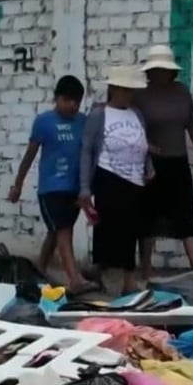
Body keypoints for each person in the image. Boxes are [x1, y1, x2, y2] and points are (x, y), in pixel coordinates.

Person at [8, 76, 95, 290]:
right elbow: (29, 155)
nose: (73, 105)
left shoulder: (83, 122)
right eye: (68, 100)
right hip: (51, 188)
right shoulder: (44, 121)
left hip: (75, 189)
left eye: (77, 100)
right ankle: (74, 279)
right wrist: (18, 184)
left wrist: (88, 188)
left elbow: (89, 155)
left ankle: (39, 271)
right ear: (56, 98)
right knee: (64, 230)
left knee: (55, 233)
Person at [79, 65, 156, 292]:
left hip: (135, 180)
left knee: (131, 230)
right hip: (108, 176)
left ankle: (129, 280)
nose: (129, 96)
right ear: (114, 89)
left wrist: (148, 164)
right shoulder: (98, 115)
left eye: (131, 91)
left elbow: (142, 143)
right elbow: (87, 149)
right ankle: (106, 275)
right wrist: (84, 187)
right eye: (125, 90)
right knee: (110, 230)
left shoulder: (136, 114)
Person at [135, 44, 193, 272]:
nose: (160, 73)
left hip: (178, 161)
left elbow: (192, 124)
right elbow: (132, 129)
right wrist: (147, 147)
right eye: (155, 69)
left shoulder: (181, 92)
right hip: (151, 165)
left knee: (186, 217)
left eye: (163, 69)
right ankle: (145, 270)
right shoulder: (140, 95)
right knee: (148, 220)